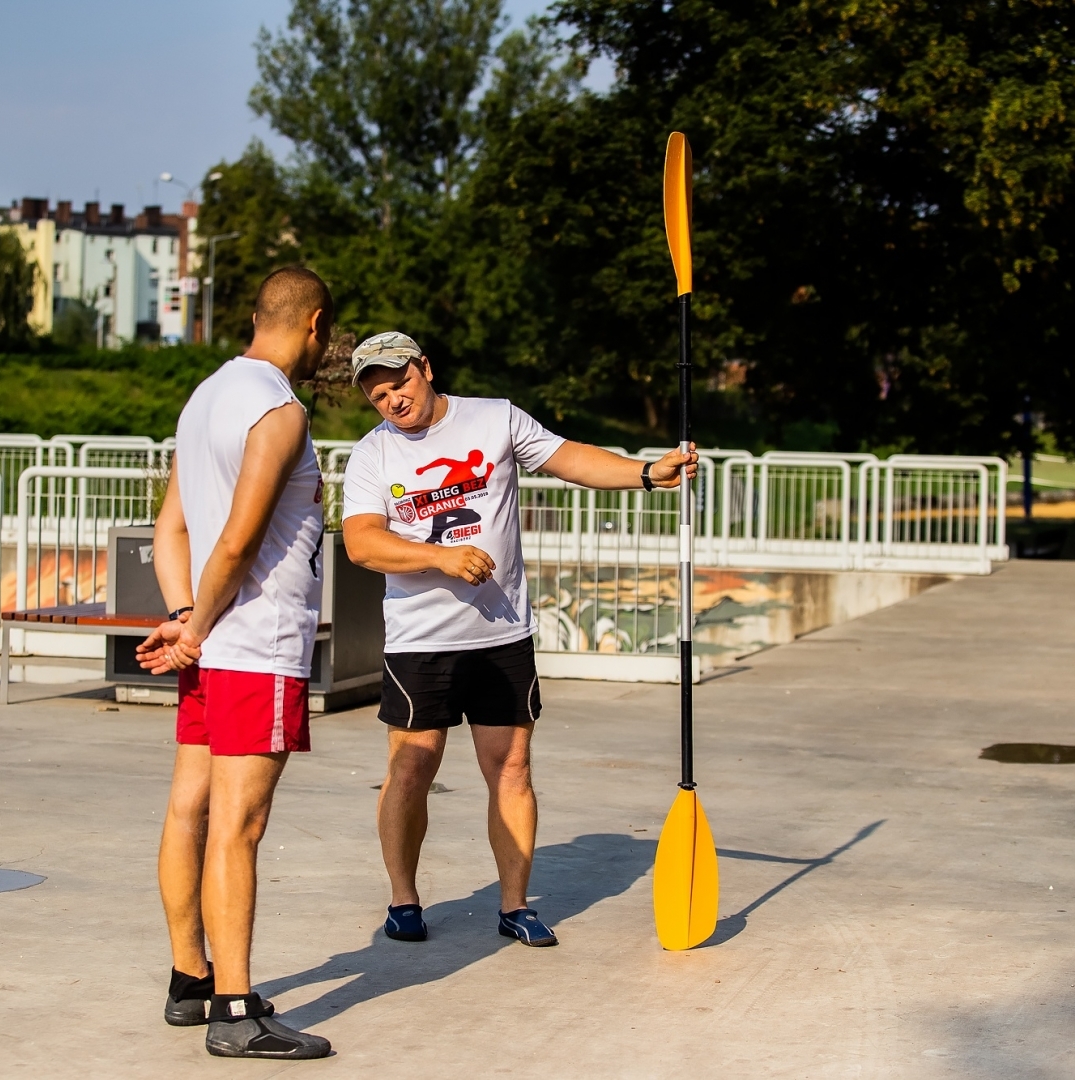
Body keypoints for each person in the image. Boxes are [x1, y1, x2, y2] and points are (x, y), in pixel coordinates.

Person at [340, 331, 697, 948]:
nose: (391, 400)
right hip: (420, 641)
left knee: (510, 769)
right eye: (377, 395)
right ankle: (404, 900)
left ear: (425, 367)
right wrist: (439, 558)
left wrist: (645, 472)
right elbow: (361, 542)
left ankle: (514, 904)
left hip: (501, 636)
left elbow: (570, 457)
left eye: (398, 383)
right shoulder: (373, 455)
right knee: (410, 769)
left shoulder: (494, 418)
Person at [134, 266, 334, 1060]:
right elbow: (240, 541)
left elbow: (169, 532)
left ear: (256, 317)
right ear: (314, 326)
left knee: (191, 808)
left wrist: (186, 619)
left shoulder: (204, 395)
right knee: (240, 826)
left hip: (213, 642)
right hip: (256, 645)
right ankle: (234, 1010)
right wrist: (200, 626)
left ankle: (191, 978)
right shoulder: (279, 412)